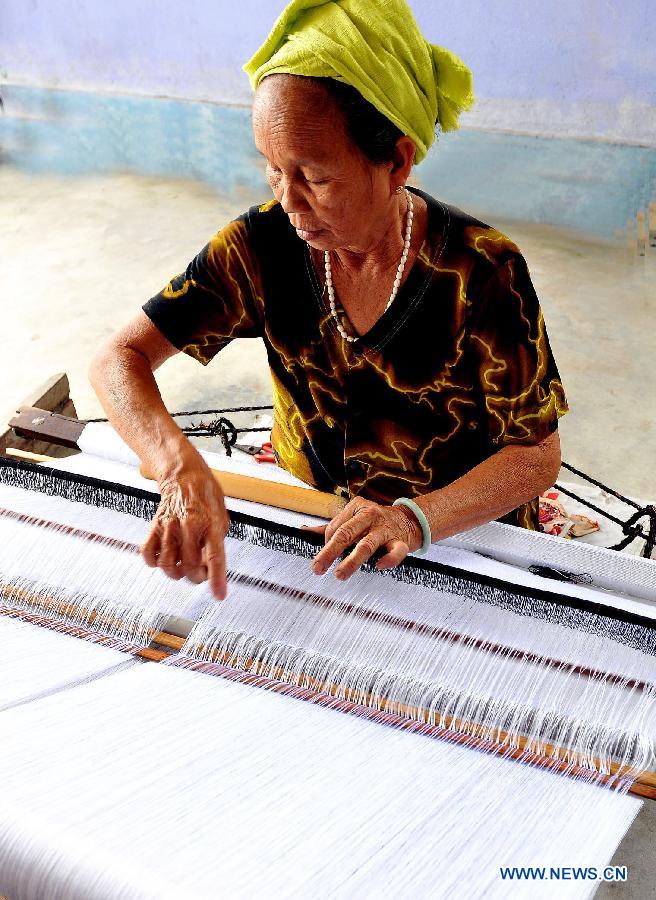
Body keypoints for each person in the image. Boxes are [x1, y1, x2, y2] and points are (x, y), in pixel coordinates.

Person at [90, 0, 567, 601]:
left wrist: (412, 520)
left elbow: (535, 457)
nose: (289, 202)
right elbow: (119, 358)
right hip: (308, 520)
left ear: (395, 160)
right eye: (271, 170)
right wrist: (175, 466)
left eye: (314, 177)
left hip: (458, 539)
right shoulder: (261, 246)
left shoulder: (481, 272)